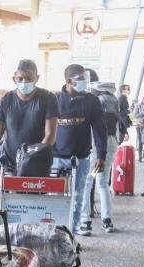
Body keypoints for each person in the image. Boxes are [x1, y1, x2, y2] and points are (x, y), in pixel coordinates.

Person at [53, 64, 107, 235]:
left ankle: (73, 230)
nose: (85, 82)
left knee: (78, 196)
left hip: (82, 158)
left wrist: (101, 155)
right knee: (56, 197)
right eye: (82, 78)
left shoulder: (91, 100)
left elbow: (99, 128)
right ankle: (56, 231)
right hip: (56, 158)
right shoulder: (54, 99)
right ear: (69, 81)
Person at [0, 59, 59, 174]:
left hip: (37, 164)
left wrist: (31, 160)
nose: (24, 82)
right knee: (8, 192)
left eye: (29, 78)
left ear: (37, 78)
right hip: (9, 165)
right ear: (14, 79)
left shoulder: (48, 98)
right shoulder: (5, 100)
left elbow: (50, 135)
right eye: (20, 79)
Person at [80, 78, 120, 235]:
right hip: (110, 147)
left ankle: (85, 222)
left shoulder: (96, 101)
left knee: (87, 183)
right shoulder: (114, 101)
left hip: (96, 149)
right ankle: (107, 220)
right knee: (103, 184)